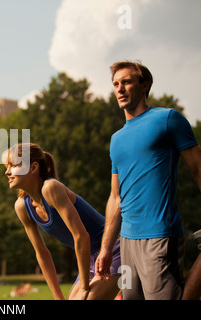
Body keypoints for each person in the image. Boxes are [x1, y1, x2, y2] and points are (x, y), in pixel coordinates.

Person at [95, 60, 201, 300]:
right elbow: (115, 197)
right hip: (127, 243)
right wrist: (106, 248)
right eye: (116, 84)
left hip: (160, 236)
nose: (120, 89)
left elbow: (198, 167)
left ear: (145, 86)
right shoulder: (116, 139)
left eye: (127, 82)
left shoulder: (168, 119)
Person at [4, 143, 121, 300]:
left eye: (14, 165)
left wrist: (85, 288)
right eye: (7, 166)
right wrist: (58, 297)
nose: (7, 172)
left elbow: (81, 236)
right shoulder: (22, 207)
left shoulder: (51, 188)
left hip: (114, 250)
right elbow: (42, 253)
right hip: (89, 259)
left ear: (33, 168)